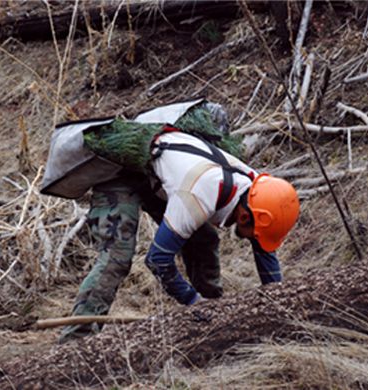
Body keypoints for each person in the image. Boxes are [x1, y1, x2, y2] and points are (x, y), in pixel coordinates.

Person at [58, 102, 299, 343]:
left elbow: (263, 247)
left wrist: (278, 304)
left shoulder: (257, 189)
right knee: (117, 256)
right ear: (245, 216)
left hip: (160, 175)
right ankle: (76, 340)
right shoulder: (200, 194)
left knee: (203, 241)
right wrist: (192, 301)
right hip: (120, 173)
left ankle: (214, 315)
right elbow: (157, 260)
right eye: (253, 234)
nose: (253, 239)